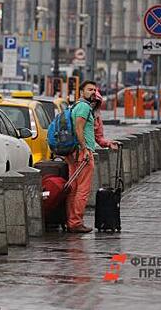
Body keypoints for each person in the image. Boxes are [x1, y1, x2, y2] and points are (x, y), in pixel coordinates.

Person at [66, 80, 97, 233]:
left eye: (94, 90)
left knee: (74, 188)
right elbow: (79, 129)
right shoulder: (84, 107)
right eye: (90, 89)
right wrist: (85, 149)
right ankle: (76, 222)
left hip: (74, 152)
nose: (93, 92)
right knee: (82, 190)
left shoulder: (76, 106)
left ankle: (71, 220)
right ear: (81, 92)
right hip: (83, 153)